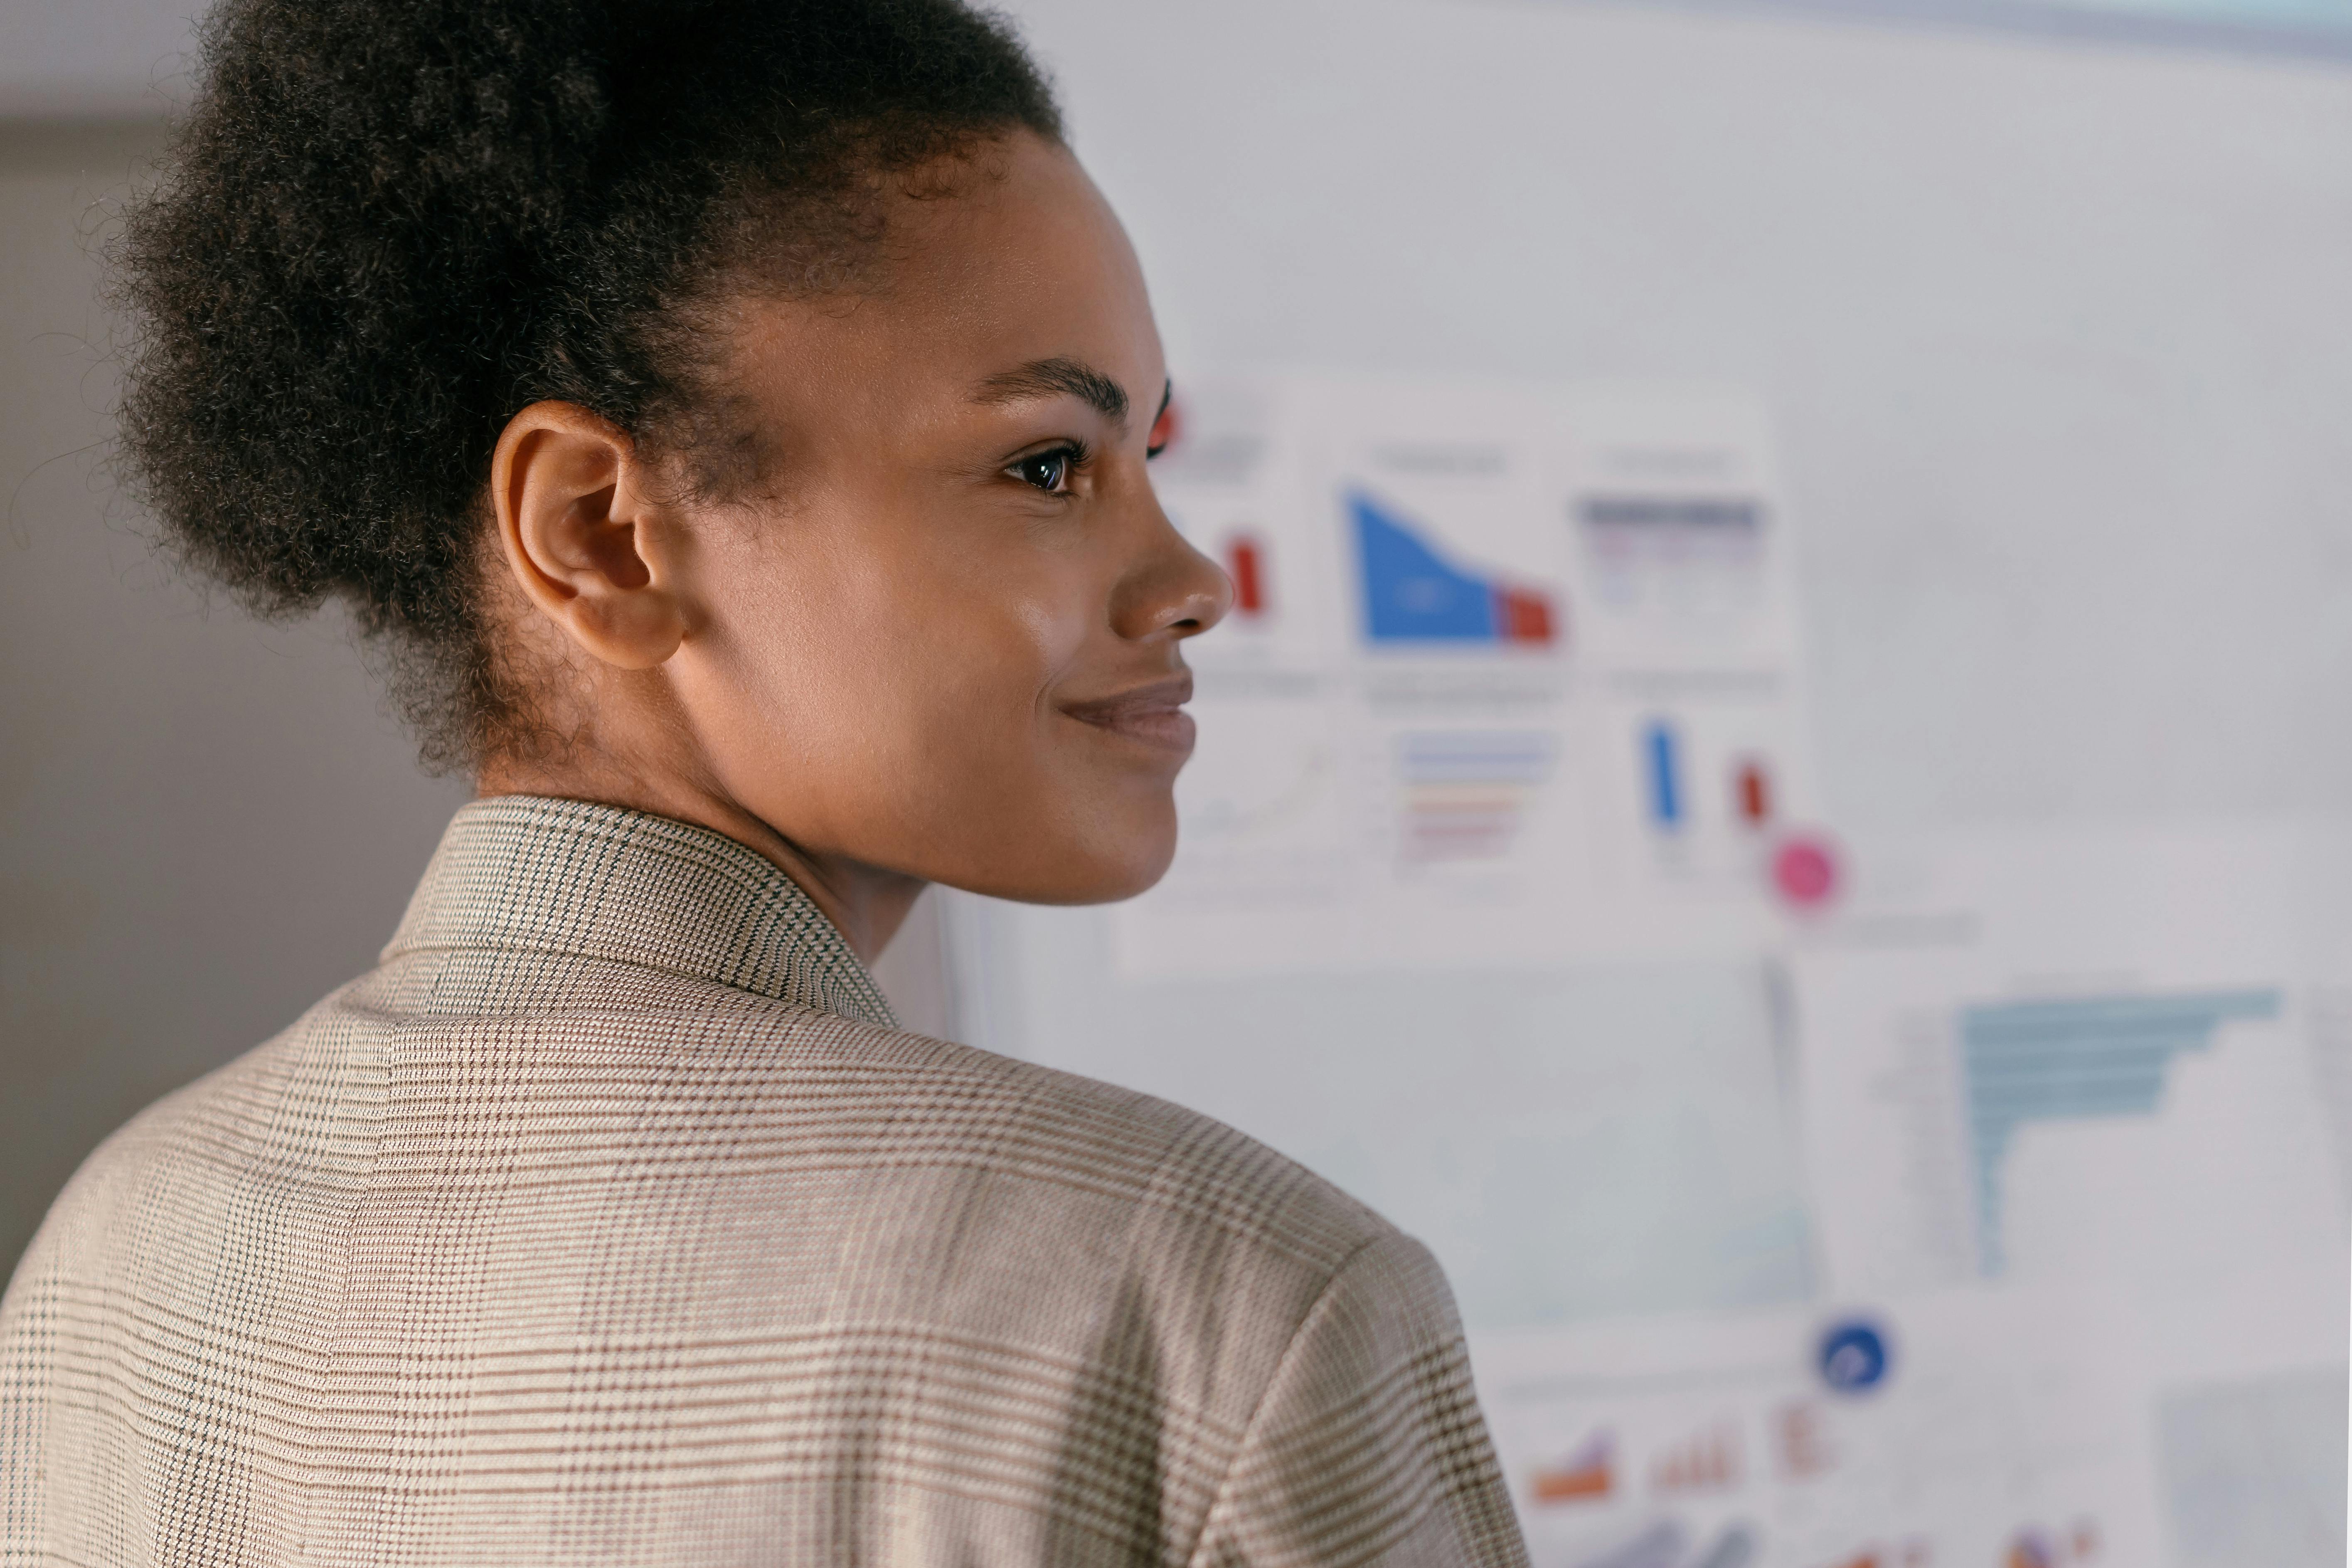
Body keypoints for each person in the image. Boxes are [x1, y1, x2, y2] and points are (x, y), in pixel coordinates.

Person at [0, 1, 1530, 1563]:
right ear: (600, 533)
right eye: (1049, 464)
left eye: (1149, 453)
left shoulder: (105, 1258)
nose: (1191, 575)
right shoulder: (1225, 1312)